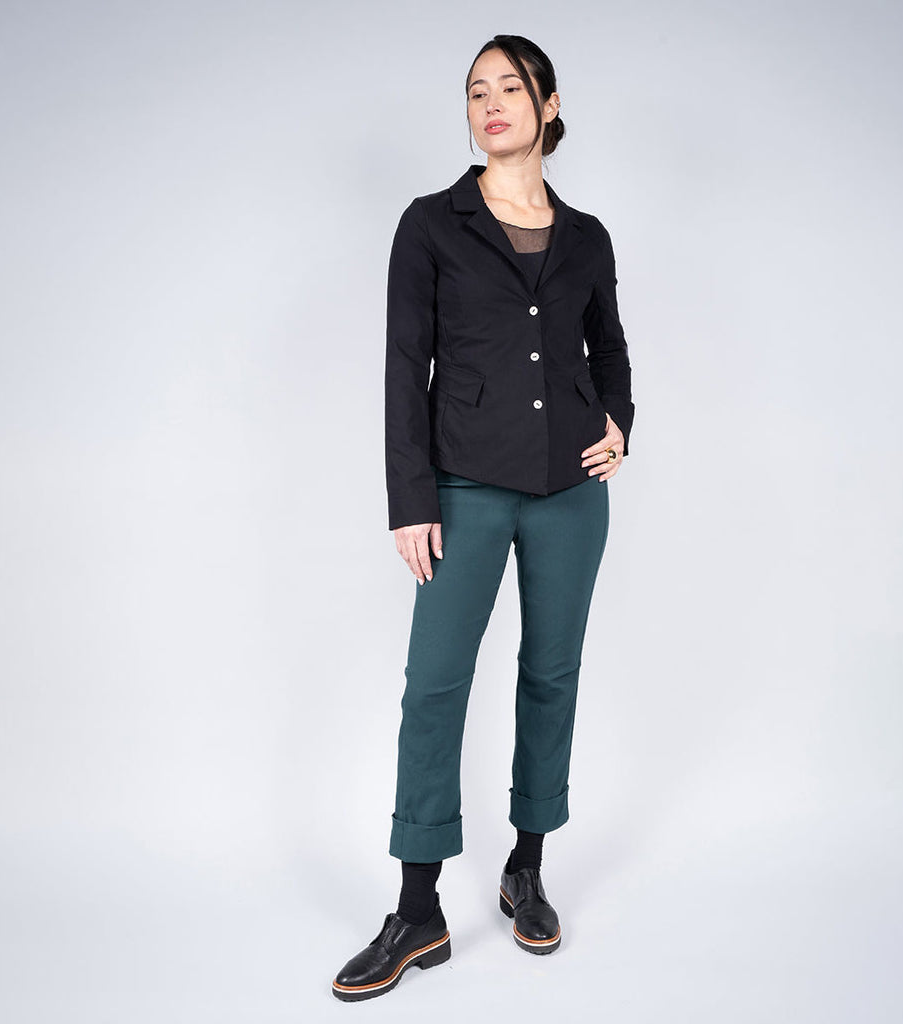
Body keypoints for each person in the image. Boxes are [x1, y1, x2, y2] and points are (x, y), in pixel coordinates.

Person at [332, 33, 636, 1002]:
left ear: (549, 105)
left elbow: (608, 347)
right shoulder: (431, 224)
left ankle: (526, 869)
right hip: (462, 484)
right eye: (475, 91)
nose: (490, 103)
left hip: (570, 492)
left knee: (551, 674)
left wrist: (618, 423)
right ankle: (416, 908)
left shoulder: (586, 235)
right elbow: (402, 366)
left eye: (510, 87)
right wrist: (410, 499)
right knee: (434, 685)